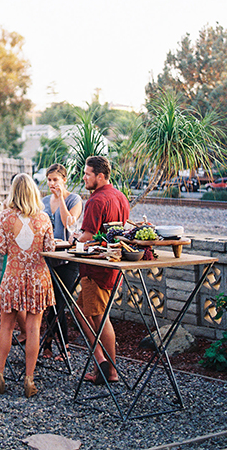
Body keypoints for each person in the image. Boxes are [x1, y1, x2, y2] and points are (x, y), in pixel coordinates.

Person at [0, 173, 56, 397]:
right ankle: (29, 379)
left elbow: (2, 248)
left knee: (6, 326)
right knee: (33, 328)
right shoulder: (44, 218)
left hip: (13, 276)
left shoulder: (6, 217)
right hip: (37, 278)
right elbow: (49, 247)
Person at [75, 154, 130, 384]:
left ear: (100, 175)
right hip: (113, 266)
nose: (84, 178)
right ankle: (102, 362)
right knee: (81, 311)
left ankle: (109, 369)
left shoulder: (96, 200)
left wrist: (74, 237)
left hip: (95, 268)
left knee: (98, 317)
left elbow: (88, 237)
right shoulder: (121, 197)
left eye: (88, 174)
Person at [41, 163, 83, 357]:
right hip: (49, 256)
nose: (52, 183)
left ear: (64, 180)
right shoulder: (43, 201)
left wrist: (61, 201)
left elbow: (69, 223)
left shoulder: (74, 199)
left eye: (55, 180)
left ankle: (57, 345)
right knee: (50, 302)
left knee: (60, 301)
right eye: (49, 180)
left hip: (68, 257)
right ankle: (52, 345)